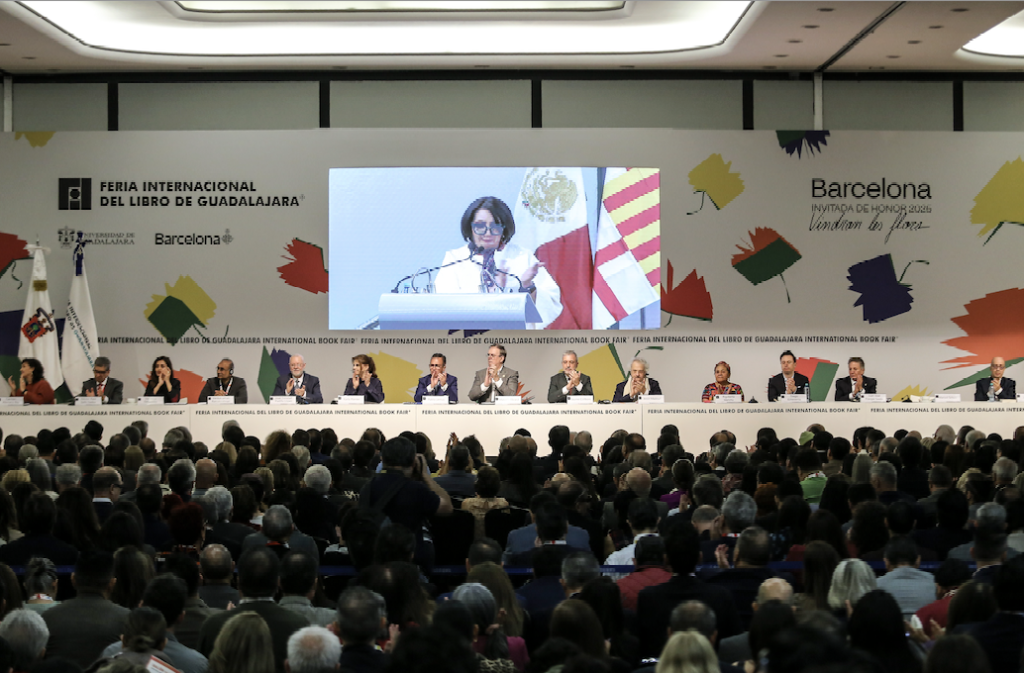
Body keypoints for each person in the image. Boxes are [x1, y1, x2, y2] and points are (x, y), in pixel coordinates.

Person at [434, 195, 562, 329]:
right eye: (480, 226)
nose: (487, 233)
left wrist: (526, 287)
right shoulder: (455, 259)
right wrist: (492, 295)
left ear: (504, 228)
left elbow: (551, 301)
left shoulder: (523, 257)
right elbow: (442, 305)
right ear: (470, 227)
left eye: (495, 226)